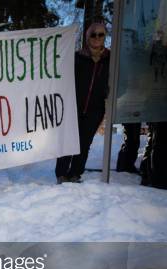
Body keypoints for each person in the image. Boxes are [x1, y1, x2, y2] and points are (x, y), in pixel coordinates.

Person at [55, 22, 110, 184]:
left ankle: (75, 173)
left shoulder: (110, 59)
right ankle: (61, 174)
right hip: (73, 107)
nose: (97, 38)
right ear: (87, 38)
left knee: (84, 142)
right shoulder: (77, 57)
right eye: (93, 34)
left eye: (101, 34)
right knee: (68, 140)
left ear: (105, 37)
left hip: (95, 109)